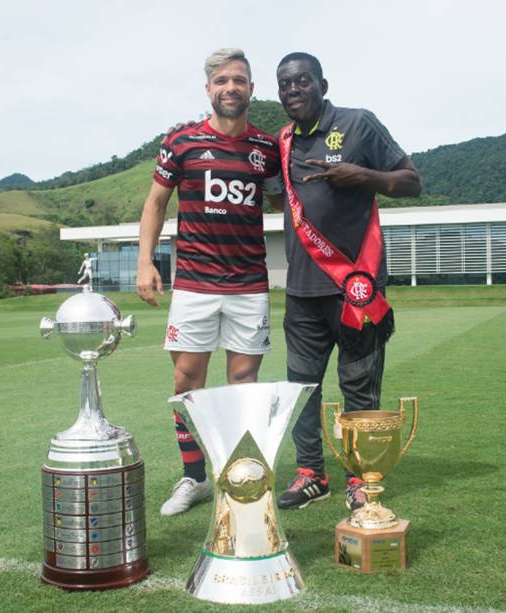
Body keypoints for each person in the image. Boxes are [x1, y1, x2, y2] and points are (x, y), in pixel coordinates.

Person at [136, 48, 282, 516]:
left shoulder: (265, 149)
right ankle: (194, 478)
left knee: (243, 381)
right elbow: (156, 203)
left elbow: (286, 201)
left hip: (249, 284)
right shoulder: (181, 142)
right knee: (186, 381)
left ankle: (237, 474)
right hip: (194, 283)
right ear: (208, 89)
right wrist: (145, 262)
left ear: (251, 90)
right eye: (222, 80)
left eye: (239, 80)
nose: (230, 87)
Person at [273, 52, 422, 511]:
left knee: (358, 389)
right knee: (302, 391)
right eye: (284, 84)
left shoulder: (358, 124)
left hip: (355, 290)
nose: (293, 90)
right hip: (301, 293)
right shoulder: (282, 141)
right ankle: (310, 474)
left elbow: (412, 181)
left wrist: (365, 176)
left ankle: (361, 477)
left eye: (302, 81)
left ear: (323, 83)